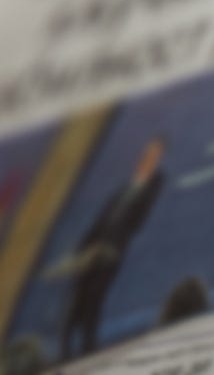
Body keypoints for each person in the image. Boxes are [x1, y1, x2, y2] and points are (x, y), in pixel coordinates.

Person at [58, 136, 166, 359]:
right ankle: (66, 345)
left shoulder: (151, 185)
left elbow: (142, 209)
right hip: (91, 249)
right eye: (147, 154)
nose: (148, 159)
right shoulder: (122, 190)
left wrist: (148, 175)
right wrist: (83, 248)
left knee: (96, 295)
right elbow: (100, 220)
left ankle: (88, 342)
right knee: (79, 294)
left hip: (112, 250)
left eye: (154, 156)